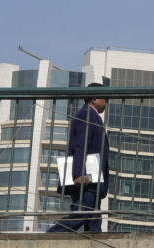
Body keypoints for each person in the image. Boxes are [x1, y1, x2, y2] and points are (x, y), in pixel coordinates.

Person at [48, 84, 110, 233]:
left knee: (93, 220)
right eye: (105, 98)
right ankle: (50, 236)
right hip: (86, 180)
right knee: (81, 214)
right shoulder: (86, 114)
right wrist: (78, 173)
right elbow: (80, 145)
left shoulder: (92, 115)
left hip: (92, 180)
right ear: (95, 99)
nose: (106, 102)